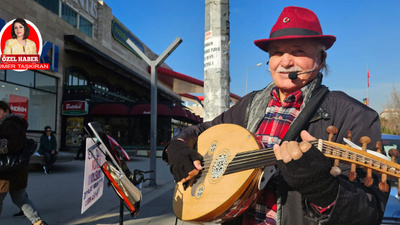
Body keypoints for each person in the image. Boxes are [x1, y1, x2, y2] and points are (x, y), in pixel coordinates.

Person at [163, 6, 388, 225]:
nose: (285, 61)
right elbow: (202, 130)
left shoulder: (355, 116)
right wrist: (179, 144)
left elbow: (369, 214)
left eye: (298, 51)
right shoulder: (250, 104)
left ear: (320, 59)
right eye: (277, 53)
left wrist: (323, 189)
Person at [0, 101, 48, 225]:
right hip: (17, 171)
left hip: (6, 171)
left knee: (17, 198)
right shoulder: (14, 123)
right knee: (20, 198)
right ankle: (38, 222)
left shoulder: (8, 124)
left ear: (6, 110)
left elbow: (14, 144)